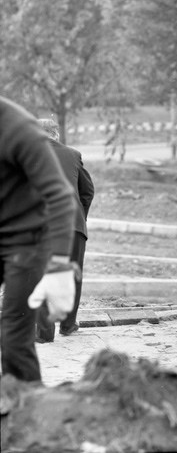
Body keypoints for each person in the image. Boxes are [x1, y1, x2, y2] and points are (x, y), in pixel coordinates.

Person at [0, 96, 77, 382]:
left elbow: (60, 196)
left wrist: (58, 267)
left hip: (26, 239)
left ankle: (27, 411)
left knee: (14, 337)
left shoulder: (16, 126)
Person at [36, 118, 94, 341]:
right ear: (55, 134)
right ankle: (68, 326)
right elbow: (87, 191)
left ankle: (44, 333)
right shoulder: (73, 154)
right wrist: (80, 218)